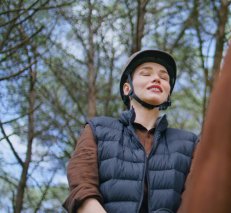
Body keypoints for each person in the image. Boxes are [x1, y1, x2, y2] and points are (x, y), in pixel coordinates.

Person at [63, 49, 198, 213]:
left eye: (164, 77)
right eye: (146, 74)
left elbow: (196, 199)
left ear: (168, 93)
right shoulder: (97, 130)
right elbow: (82, 188)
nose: (156, 78)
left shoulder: (190, 143)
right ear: (127, 88)